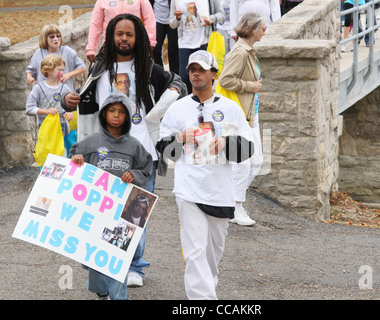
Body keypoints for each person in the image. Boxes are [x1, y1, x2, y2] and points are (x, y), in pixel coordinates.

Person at [62, 13, 187, 288]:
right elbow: (79, 97)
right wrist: (67, 100)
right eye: (119, 33)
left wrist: (161, 109)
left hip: (142, 156)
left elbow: (179, 83)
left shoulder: (150, 69)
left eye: (129, 34)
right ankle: (106, 262)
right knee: (104, 213)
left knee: (134, 215)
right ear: (111, 36)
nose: (124, 38)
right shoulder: (99, 69)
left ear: (138, 37)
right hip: (103, 154)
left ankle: (134, 267)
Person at [156, 50, 254, 299]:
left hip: (220, 192)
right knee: (195, 252)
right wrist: (179, 138)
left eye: (201, 69)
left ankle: (206, 289)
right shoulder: (177, 110)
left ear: (214, 74)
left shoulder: (230, 109)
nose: (195, 73)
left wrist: (227, 143)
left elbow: (247, 149)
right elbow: (165, 152)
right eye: (191, 69)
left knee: (212, 255)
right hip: (188, 191)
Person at [70, 91, 153, 300]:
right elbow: (71, 161)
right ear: (104, 113)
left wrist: (134, 175)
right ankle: (100, 289)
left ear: (127, 117)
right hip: (95, 211)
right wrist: (77, 159)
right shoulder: (90, 142)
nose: (116, 115)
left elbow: (145, 168)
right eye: (112, 111)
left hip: (123, 212)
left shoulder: (134, 145)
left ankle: (119, 297)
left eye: (122, 112)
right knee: (94, 260)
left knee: (118, 258)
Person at [218, 12, 265, 226]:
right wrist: (251, 86)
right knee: (244, 163)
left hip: (250, 114)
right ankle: (235, 207)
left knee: (256, 162)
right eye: (263, 28)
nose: (265, 31)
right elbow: (226, 79)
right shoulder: (240, 51)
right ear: (253, 29)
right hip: (239, 115)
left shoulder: (249, 50)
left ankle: (230, 201)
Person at [169, 0, 225, 93]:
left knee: (205, 78)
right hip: (184, 44)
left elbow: (221, 14)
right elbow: (172, 24)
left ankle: (205, 103)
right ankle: (190, 103)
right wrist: (177, 18)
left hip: (204, 42)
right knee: (184, 78)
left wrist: (211, 18)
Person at [86, 0, 157, 63]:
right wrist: (91, 48)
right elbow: (95, 24)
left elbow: (149, 19)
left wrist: (150, 42)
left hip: (134, 47)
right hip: (109, 47)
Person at [26, 24, 87, 91]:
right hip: (45, 94)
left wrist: (68, 75)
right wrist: (29, 77)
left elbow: (82, 68)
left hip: (66, 94)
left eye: (58, 36)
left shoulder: (67, 51)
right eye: (52, 37)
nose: (56, 39)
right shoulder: (38, 54)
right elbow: (30, 70)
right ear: (45, 38)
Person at [26, 54, 74, 138]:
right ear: (50, 70)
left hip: (62, 127)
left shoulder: (64, 88)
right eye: (59, 70)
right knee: (48, 151)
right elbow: (29, 109)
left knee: (62, 150)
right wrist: (46, 111)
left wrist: (70, 112)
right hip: (45, 128)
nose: (62, 73)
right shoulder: (38, 88)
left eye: (63, 70)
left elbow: (73, 104)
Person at [150, 0, 180, 74]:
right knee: (155, 49)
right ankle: (160, 74)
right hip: (157, 19)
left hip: (173, 19)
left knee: (173, 50)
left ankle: (174, 77)